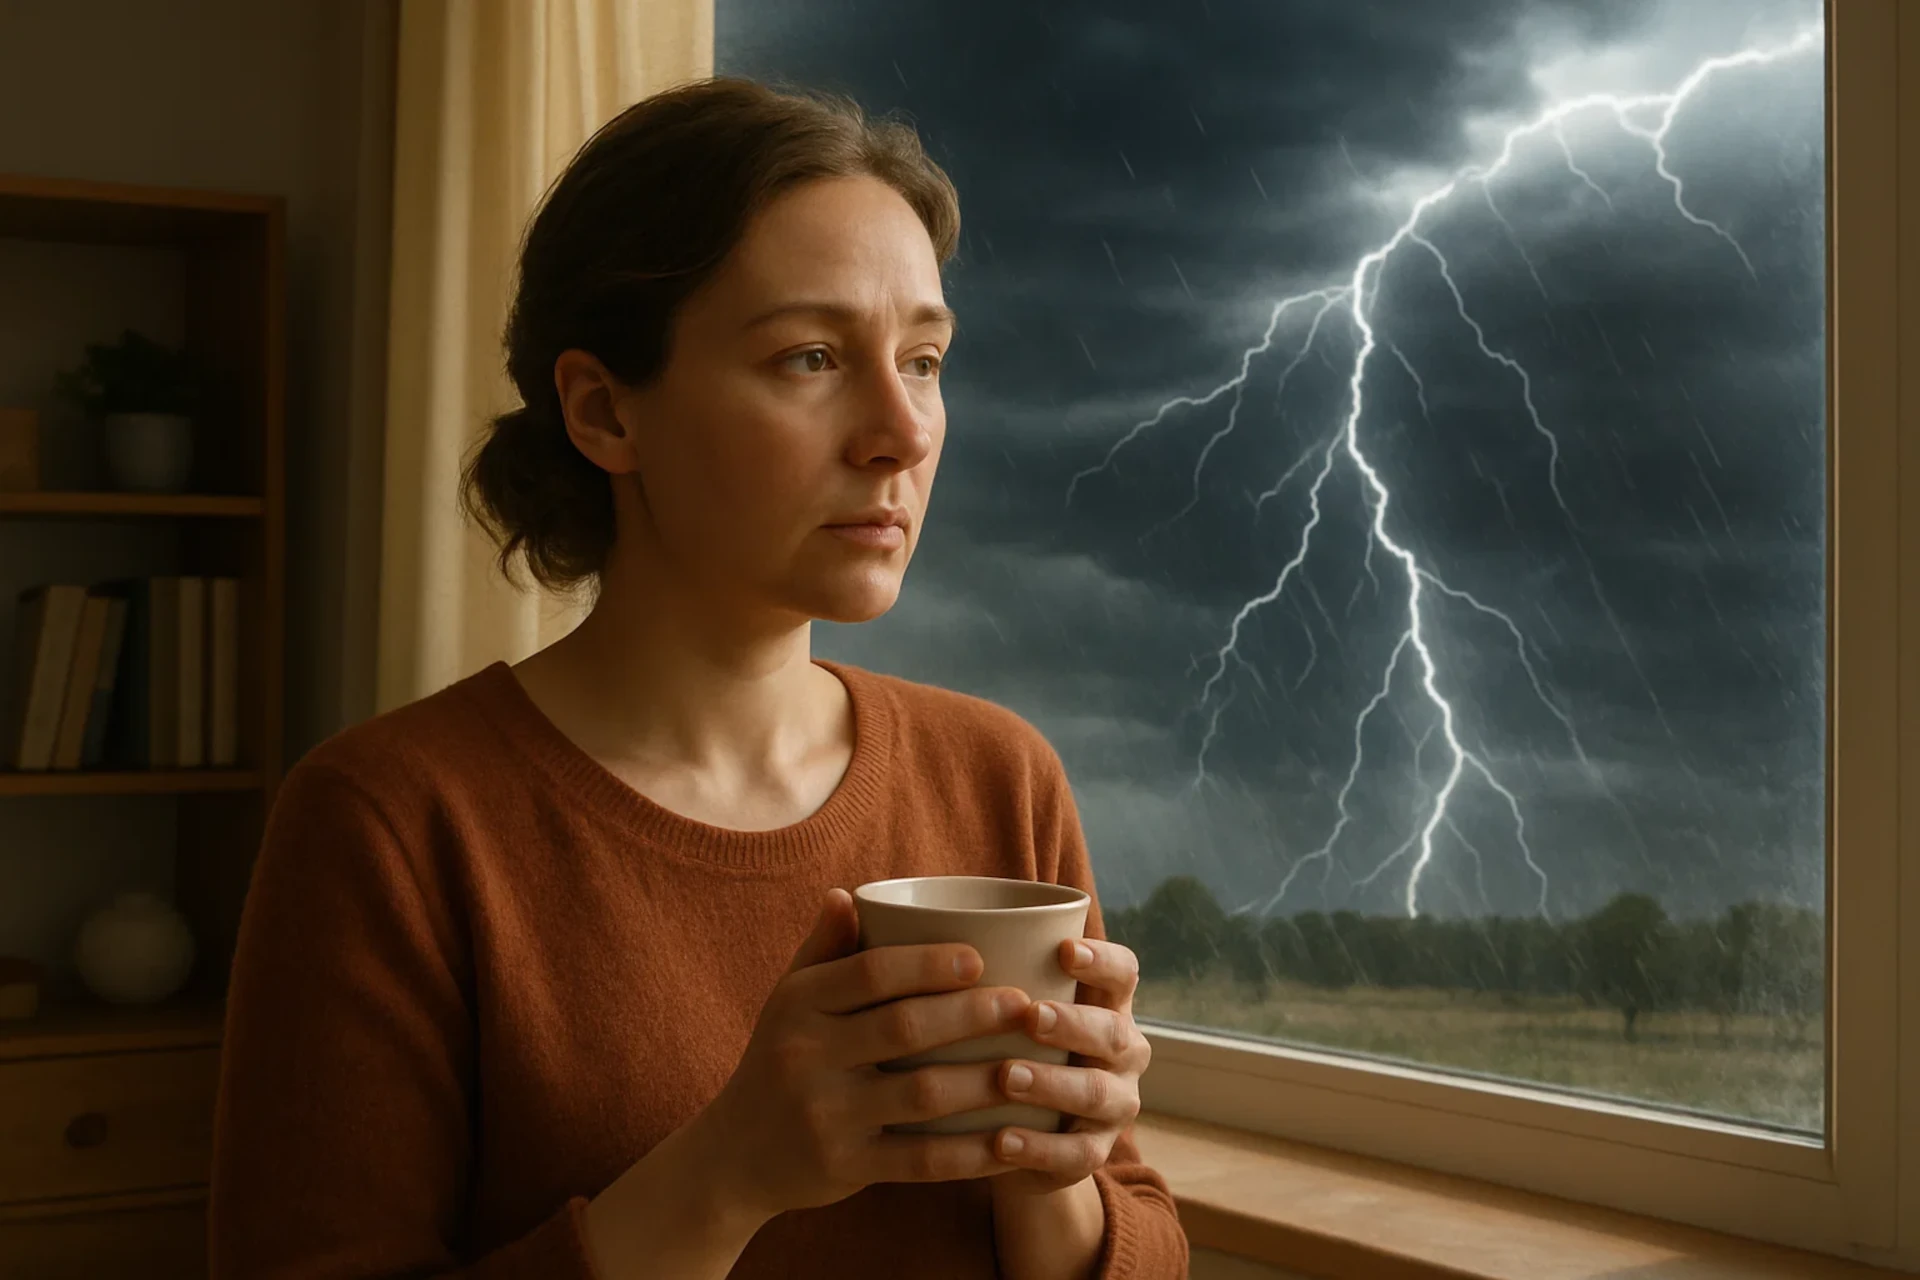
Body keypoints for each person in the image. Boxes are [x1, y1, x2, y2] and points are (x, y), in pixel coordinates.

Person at [208, 76, 1189, 1280]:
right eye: (813, 356)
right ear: (604, 409)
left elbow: (1129, 1237)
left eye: (925, 359)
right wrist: (728, 1172)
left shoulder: (1001, 774)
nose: (904, 428)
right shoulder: (390, 823)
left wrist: (1058, 1178)